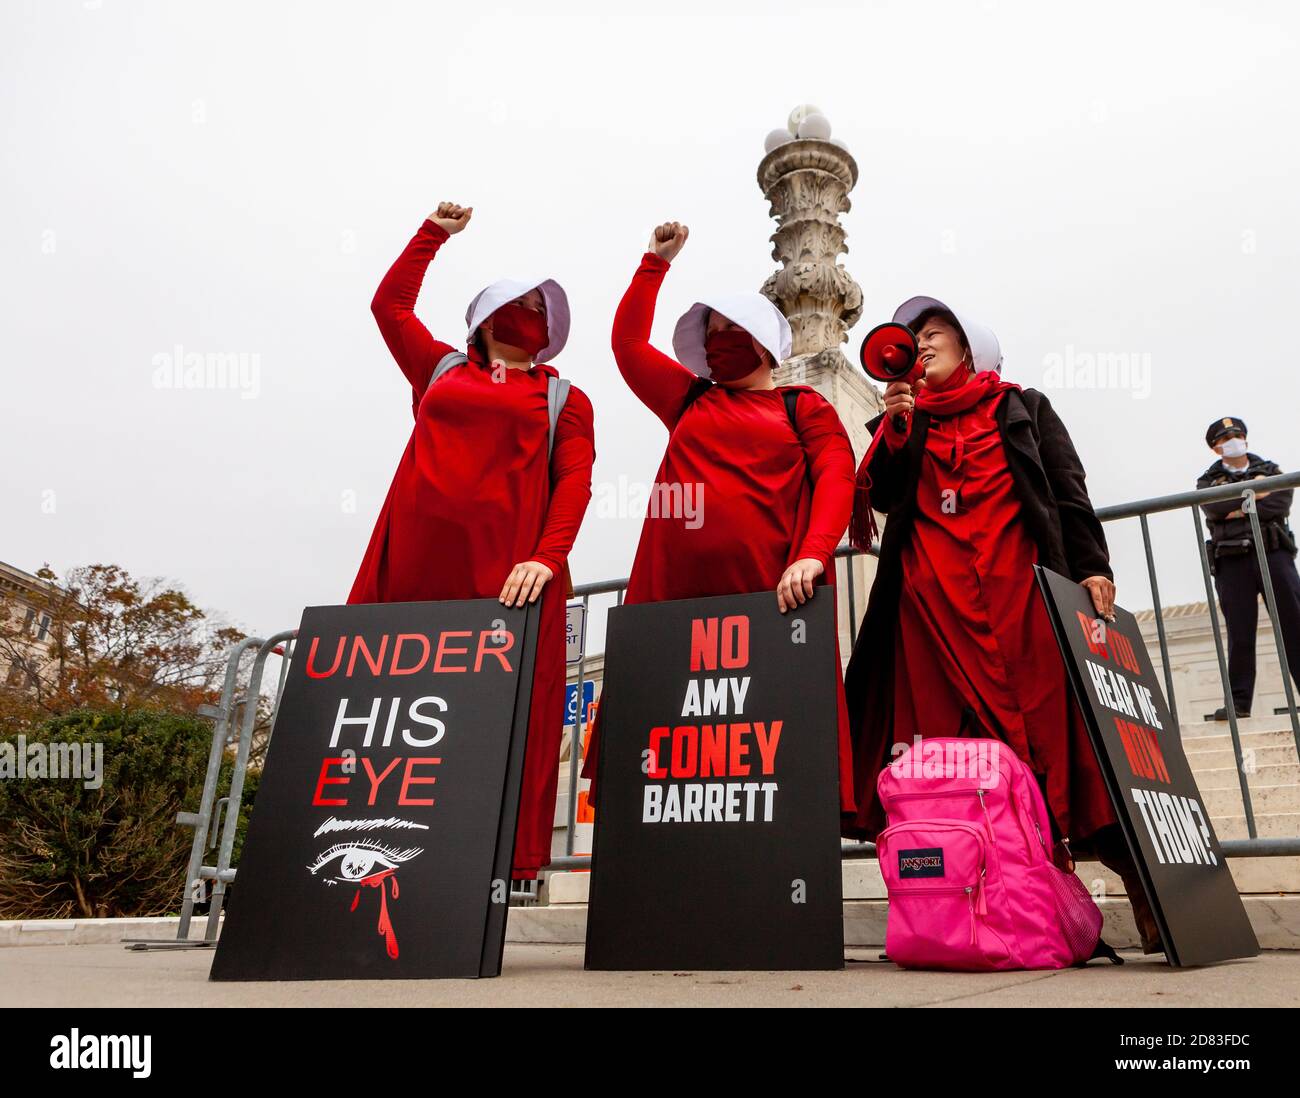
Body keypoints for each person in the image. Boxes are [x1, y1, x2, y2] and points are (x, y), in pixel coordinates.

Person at [842, 295, 1163, 952]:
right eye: (912, 336)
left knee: (1058, 744)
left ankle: (1133, 882)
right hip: (931, 619)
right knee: (954, 762)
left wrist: (1093, 566)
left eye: (935, 332)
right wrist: (896, 430)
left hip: (1023, 603)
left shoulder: (1023, 406)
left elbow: (1068, 491)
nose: (921, 342)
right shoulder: (900, 423)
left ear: (971, 346)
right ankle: (986, 907)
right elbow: (881, 507)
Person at [349, 202, 596, 879]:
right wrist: (433, 234)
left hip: (506, 586)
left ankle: (475, 873)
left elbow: (574, 485)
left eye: (541, 312)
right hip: (411, 575)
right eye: (517, 305)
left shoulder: (564, 398)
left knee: (487, 731)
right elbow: (389, 308)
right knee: (393, 723)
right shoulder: (438, 369)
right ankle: (364, 859)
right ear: (484, 318)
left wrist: (546, 559)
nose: (530, 316)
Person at [582, 221, 857, 815]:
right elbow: (628, 346)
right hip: (670, 608)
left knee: (760, 756)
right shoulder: (688, 398)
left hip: (766, 604)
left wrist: (812, 553)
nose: (719, 340)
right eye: (711, 332)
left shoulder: (800, 405)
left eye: (732, 330)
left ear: (762, 342)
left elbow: (838, 475)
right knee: (666, 753)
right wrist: (654, 262)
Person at [1198, 417, 1300, 720]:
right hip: (1233, 559)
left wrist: (1235, 505)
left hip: (1273, 554)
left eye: (1237, 434)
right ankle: (1239, 703)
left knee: (1294, 624)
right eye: (1226, 437)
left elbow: (1278, 505)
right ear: (1216, 448)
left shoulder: (1270, 471)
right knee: (1240, 632)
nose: (1233, 440)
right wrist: (1256, 494)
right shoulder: (1207, 480)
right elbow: (1213, 507)